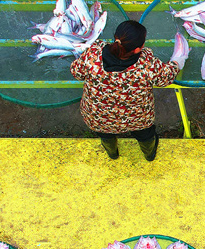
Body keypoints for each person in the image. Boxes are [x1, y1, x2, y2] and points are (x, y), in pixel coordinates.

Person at [71, 20, 186, 161]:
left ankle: (112, 154)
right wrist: (176, 63)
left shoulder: (93, 54)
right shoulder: (147, 65)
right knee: (145, 135)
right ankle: (149, 155)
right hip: (137, 118)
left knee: (105, 134)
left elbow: (76, 72)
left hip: (99, 117)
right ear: (137, 49)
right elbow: (166, 78)